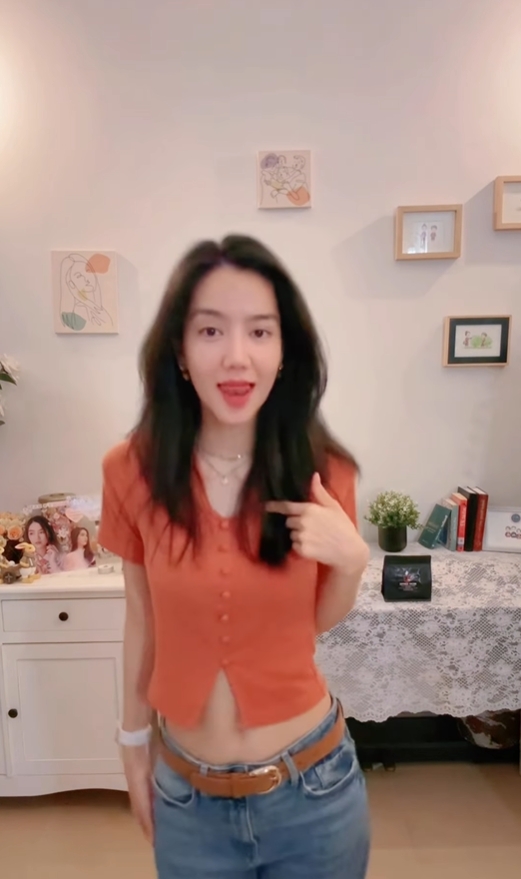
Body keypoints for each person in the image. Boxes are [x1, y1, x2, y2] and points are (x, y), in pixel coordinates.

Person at [98, 234, 371, 879]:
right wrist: (132, 743)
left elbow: (312, 623)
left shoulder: (323, 470)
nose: (237, 356)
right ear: (180, 351)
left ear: (284, 351)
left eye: (260, 331)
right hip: (187, 800)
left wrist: (352, 561)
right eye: (211, 331)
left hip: (315, 792)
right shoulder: (131, 469)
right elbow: (141, 618)